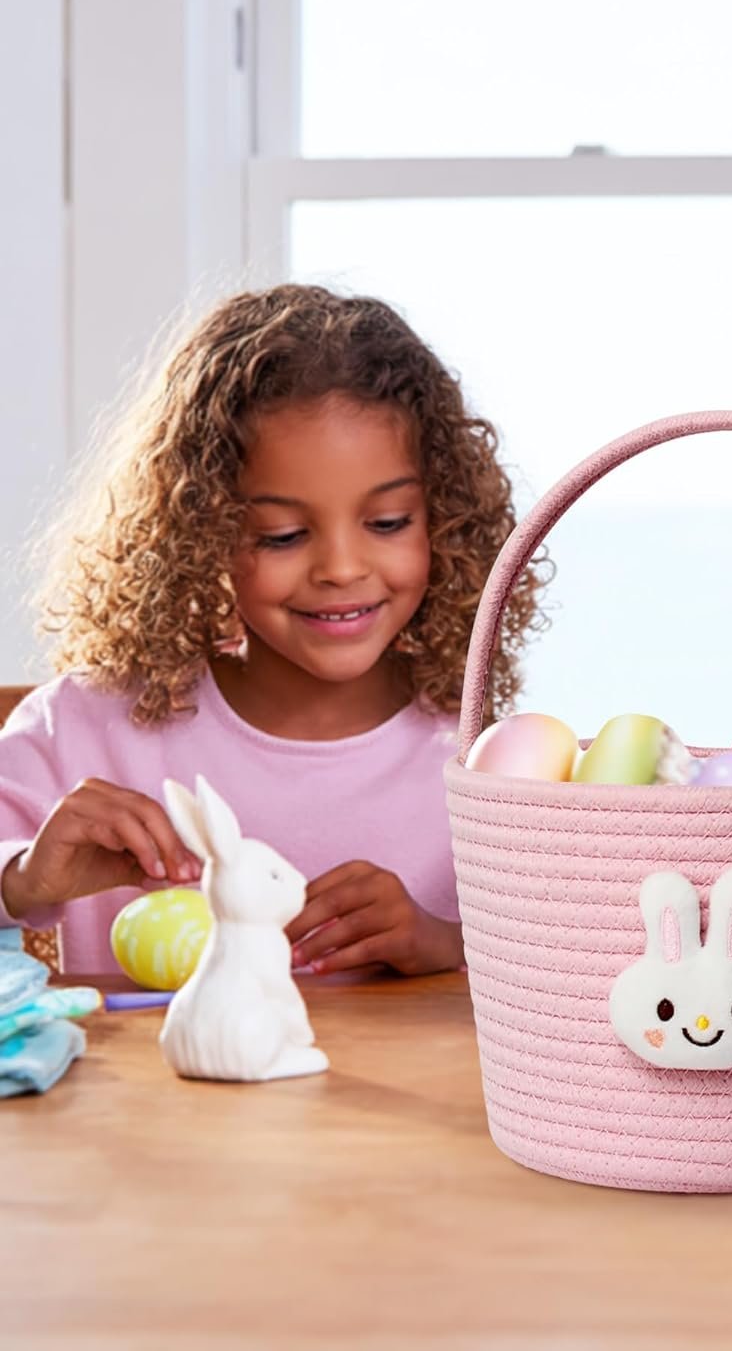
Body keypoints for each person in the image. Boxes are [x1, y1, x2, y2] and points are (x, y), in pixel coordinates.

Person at [0, 284, 546, 976]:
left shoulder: (483, 758)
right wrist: (23, 878)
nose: (341, 568)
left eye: (387, 523)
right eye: (283, 535)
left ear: (443, 519)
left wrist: (445, 944)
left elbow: (574, 964)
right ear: (202, 531)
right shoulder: (82, 729)